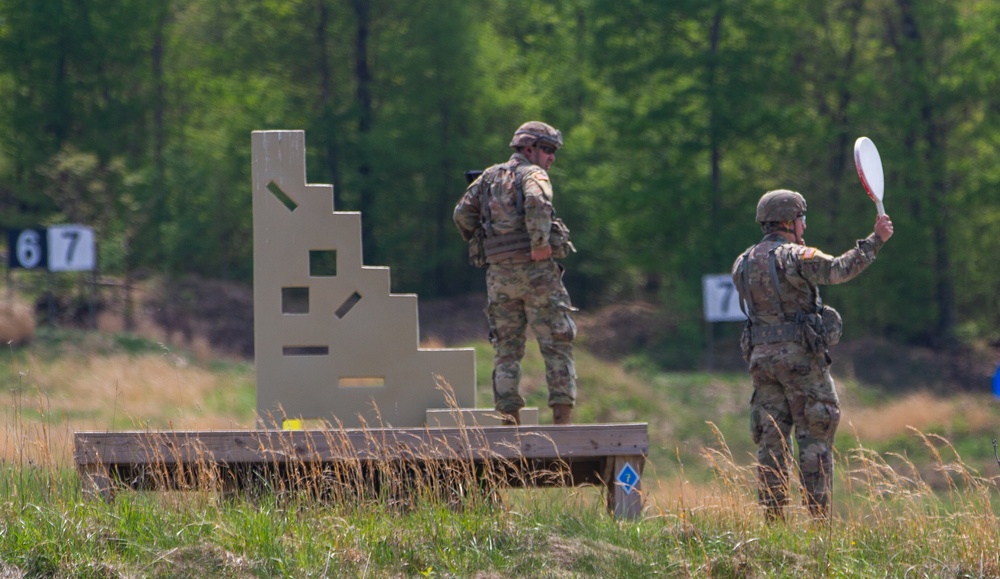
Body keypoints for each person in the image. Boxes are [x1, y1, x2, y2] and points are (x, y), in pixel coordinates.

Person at [731, 189, 894, 522]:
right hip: (800, 361)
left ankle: (773, 524)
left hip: (761, 363)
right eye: (802, 219)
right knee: (815, 436)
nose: (805, 226)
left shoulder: (743, 262)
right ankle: (819, 524)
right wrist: (876, 239)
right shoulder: (794, 255)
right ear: (791, 222)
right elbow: (838, 269)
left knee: (771, 443)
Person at [453, 121, 578, 426]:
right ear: (528, 149)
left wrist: (490, 243)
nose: (551, 158)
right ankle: (562, 425)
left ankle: (510, 424)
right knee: (556, 342)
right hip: (537, 274)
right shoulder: (533, 174)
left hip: (500, 276)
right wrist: (538, 243)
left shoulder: (486, 178)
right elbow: (537, 200)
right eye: (547, 150)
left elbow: (461, 214)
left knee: (506, 349)